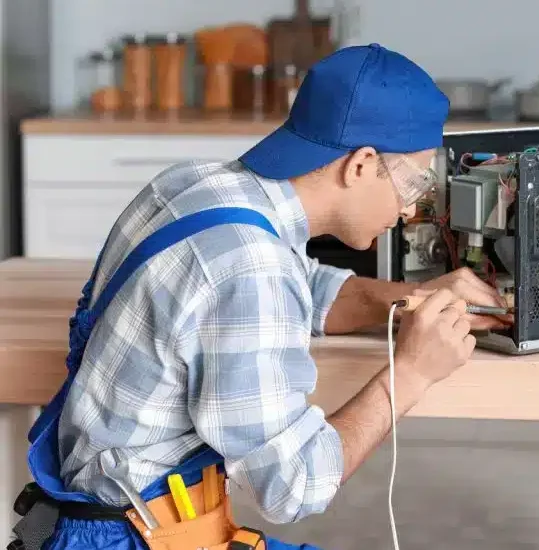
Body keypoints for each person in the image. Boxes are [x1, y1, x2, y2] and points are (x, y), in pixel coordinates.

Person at [11, 43, 509, 550]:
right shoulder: (250, 266)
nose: (410, 210)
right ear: (360, 164)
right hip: (123, 537)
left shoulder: (198, 184)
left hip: (118, 513)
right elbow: (294, 486)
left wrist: (412, 299)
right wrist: (413, 372)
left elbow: (302, 287)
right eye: (413, 184)